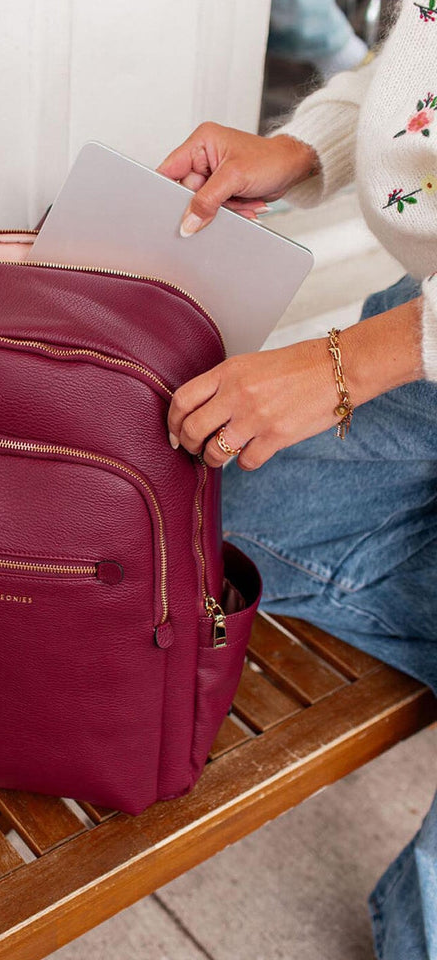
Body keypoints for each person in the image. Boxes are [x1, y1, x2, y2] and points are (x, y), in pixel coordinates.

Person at [157, 1, 436, 957]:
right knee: (194, 515)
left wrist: (345, 366)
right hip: (429, 337)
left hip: (410, 346)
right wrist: (303, 146)